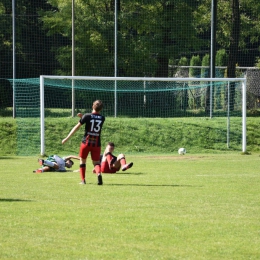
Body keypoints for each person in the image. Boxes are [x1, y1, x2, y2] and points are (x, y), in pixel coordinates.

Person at [62, 100, 105, 185]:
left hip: (86, 143)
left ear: (92, 106)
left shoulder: (87, 116)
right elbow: (93, 121)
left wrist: (67, 138)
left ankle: (83, 180)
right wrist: (83, 117)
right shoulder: (102, 118)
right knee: (96, 162)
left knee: (82, 161)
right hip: (96, 144)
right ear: (101, 109)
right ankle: (98, 173)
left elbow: (77, 127)